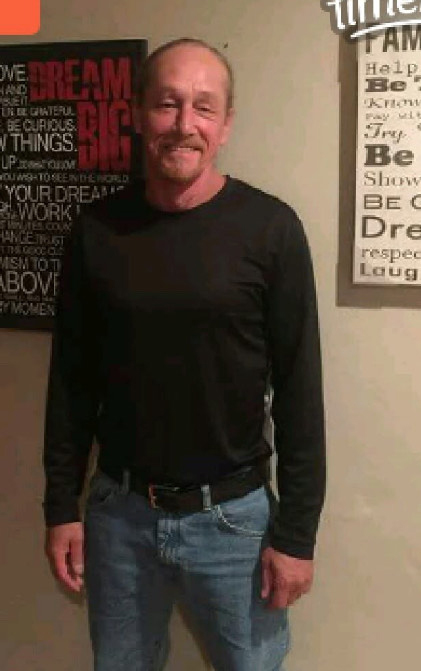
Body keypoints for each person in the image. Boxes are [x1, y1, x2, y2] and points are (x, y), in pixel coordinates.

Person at [43, 38, 326, 671]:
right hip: (118, 518)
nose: (183, 124)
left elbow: (301, 394)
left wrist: (297, 536)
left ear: (225, 124)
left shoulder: (271, 230)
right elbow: (71, 382)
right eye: (167, 104)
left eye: (203, 106)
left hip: (235, 524)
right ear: (138, 114)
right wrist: (61, 506)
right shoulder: (97, 231)